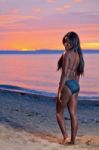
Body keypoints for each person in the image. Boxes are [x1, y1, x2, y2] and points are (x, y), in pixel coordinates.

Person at [56, 31, 84, 145]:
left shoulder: (67, 54)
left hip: (67, 85)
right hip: (76, 86)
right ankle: (73, 141)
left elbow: (64, 75)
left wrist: (59, 90)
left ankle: (66, 137)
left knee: (58, 113)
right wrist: (74, 87)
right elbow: (77, 74)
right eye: (65, 41)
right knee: (73, 114)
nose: (66, 43)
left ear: (73, 41)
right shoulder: (78, 56)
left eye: (68, 41)